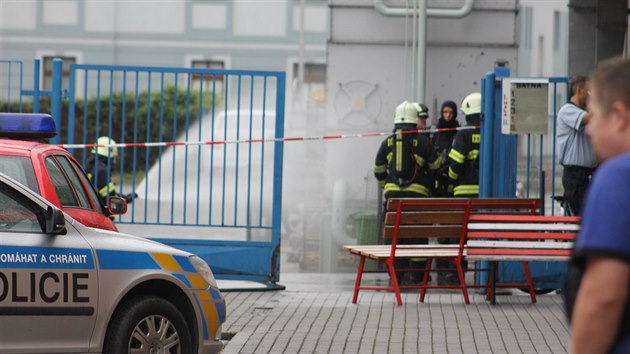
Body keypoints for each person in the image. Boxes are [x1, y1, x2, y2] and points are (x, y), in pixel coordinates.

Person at [564, 57, 630, 354]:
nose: (589, 130)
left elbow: (603, 297)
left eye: (595, 114)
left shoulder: (619, 176)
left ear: (618, 115)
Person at [374, 100, 440, 284]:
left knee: (394, 236)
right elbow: (436, 165)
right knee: (417, 236)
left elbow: (378, 170)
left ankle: (396, 272)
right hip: (417, 199)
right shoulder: (423, 142)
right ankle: (417, 275)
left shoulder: (387, 143)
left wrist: (387, 185)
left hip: (393, 199)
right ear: (414, 120)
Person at [556, 75, 597, 216]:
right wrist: (595, 101)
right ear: (579, 90)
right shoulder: (567, 110)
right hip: (575, 174)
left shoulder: (583, 112)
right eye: (588, 90)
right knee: (583, 214)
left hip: (590, 172)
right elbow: (588, 118)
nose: (590, 94)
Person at [85, 136, 137, 208]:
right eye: (113, 157)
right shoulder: (101, 172)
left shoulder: (91, 167)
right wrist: (125, 200)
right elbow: (109, 199)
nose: (114, 161)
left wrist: (123, 197)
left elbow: (103, 194)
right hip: (101, 215)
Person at [447, 92, 481, 198]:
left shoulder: (463, 133)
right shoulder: (489, 132)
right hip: (486, 191)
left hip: (464, 191)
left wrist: (450, 179)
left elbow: (456, 163)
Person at [432, 100, 460, 197]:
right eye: (445, 112)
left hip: (453, 176)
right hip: (437, 175)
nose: (448, 115)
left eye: (451, 113)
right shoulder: (436, 132)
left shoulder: (458, 132)